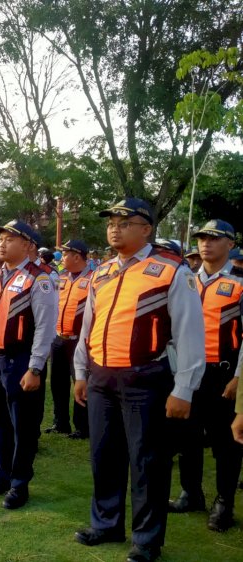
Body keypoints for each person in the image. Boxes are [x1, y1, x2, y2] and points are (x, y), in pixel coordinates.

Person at [72, 198, 205, 562]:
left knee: (147, 462)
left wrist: (184, 390)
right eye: (111, 222)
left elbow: (191, 335)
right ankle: (106, 523)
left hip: (145, 379)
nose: (114, 227)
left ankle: (146, 541)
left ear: (146, 229)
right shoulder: (101, 272)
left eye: (124, 221)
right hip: (101, 376)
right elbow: (89, 326)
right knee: (104, 455)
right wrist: (81, 372)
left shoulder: (172, 271)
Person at [0, 220, 57, 510]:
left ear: (29, 245)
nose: (2, 244)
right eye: (1, 239)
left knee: (23, 424)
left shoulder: (40, 279)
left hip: (20, 360)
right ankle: (3, 476)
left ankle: (20, 484)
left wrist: (35, 367)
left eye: (10, 239)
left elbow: (46, 327)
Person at [168, 220, 243, 532]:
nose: (206, 244)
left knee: (226, 442)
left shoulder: (240, 283)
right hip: (187, 372)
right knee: (187, 437)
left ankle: (224, 501)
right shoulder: (186, 279)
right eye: (201, 238)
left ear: (230, 243)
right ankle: (191, 491)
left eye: (214, 238)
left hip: (223, 374)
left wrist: (239, 377)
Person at [47, 239, 91, 439]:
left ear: (76, 256)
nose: (61, 258)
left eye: (65, 254)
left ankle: (82, 426)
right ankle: (60, 421)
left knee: (80, 380)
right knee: (58, 382)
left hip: (79, 340)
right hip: (59, 338)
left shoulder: (93, 278)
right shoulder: (62, 278)